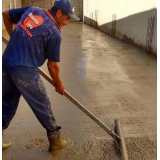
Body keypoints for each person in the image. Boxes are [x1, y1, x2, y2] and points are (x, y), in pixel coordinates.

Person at [2, 0, 79, 151]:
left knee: (7, 103)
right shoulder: (54, 32)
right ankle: (55, 141)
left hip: (7, 61)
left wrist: (15, 40)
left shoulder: (33, 10)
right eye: (67, 18)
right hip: (24, 70)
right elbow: (52, 66)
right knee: (42, 103)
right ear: (58, 13)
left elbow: (5, 15)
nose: (67, 23)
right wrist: (59, 84)